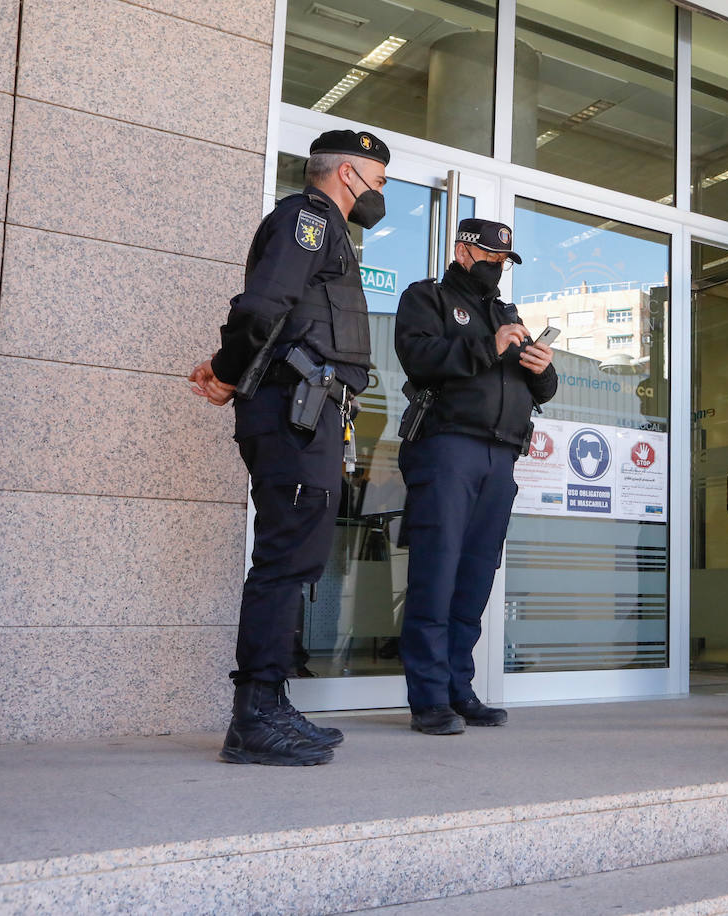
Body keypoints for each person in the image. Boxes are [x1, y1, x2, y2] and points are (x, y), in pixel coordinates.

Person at [188, 129, 390, 765]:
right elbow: (261, 308)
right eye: (378, 181)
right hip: (293, 412)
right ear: (348, 174)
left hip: (313, 416)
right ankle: (253, 718)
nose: (381, 195)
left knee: (297, 558)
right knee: (283, 561)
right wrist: (226, 370)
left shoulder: (328, 230)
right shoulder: (307, 219)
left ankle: (271, 705)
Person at [393, 218, 558, 735]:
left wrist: (540, 366)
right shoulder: (429, 298)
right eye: (491, 257)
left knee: (475, 578)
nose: (499, 267)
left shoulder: (506, 312)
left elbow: (542, 391)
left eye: (506, 260)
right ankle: (427, 698)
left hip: (501, 457)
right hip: (448, 449)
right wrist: (490, 346)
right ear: (464, 251)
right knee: (436, 573)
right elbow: (418, 358)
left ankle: (458, 688)